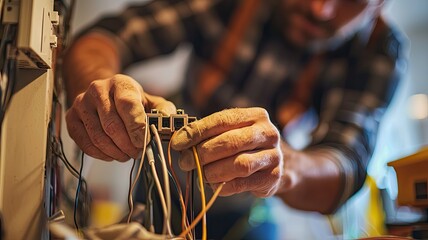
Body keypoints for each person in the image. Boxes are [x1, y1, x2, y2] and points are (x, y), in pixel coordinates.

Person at [63, 0, 407, 238]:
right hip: (162, 177)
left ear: (380, 4)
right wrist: (99, 90)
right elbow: (107, 37)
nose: (321, 9)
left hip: (248, 207)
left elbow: (345, 165)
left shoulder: (379, 52)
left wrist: (284, 166)